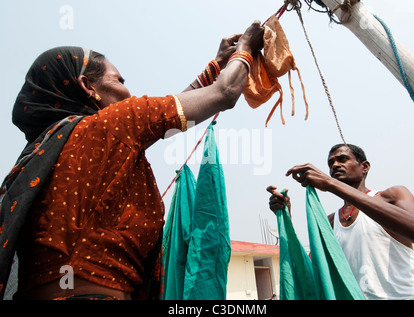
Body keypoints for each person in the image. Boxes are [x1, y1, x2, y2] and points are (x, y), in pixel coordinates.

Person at [0, 21, 265, 300]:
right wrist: (246, 49)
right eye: (118, 81)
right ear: (87, 86)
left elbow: (170, 119)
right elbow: (224, 94)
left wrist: (216, 63)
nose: (128, 92)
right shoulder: (114, 125)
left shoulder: (45, 153)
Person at [267, 143, 414, 300]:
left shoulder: (391, 196)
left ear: (364, 167)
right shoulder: (330, 222)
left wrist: (331, 184)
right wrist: (286, 218)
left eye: (342, 159)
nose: (335, 165)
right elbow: (312, 272)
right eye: (330, 163)